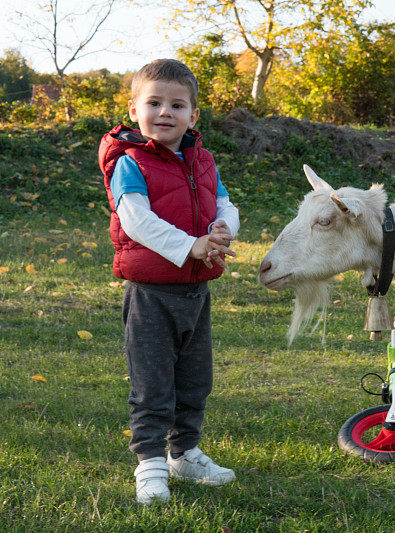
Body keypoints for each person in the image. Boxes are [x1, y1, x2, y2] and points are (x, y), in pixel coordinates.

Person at [98, 59, 239, 504]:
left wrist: (221, 229)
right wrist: (189, 246)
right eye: (154, 102)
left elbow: (225, 203)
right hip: (152, 295)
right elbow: (136, 219)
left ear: (193, 116)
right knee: (153, 384)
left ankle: (185, 453)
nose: (165, 112)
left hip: (196, 293)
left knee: (195, 380)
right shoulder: (130, 162)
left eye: (177, 105)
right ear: (134, 109)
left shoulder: (202, 160)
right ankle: (151, 465)